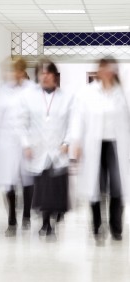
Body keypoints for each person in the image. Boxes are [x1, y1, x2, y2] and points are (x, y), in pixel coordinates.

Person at [72, 57, 130, 241]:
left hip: (116, 145)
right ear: (98, 70)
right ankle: (97, 226)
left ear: (114, 71)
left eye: (109, 68)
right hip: (94, 145)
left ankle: (116, 227)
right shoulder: (87, 93)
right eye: (102, 68)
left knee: (117, 187)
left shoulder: (123, 93)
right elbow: (77, 118)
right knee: (95, 187)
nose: (106, 72)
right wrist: (76, 142)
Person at [21, 60, 73, 237]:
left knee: (57, 188)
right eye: (41, 73)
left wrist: (67, 142)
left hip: (59, 149)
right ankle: (45, 224)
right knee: (42, 188)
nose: (44, 76)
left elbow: (72, 124)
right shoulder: (29, 97)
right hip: (39, 149)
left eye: (48, 73)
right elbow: (22, 123)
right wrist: (26, 144)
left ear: (54, 76)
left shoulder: (66, 97)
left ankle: (56, 215)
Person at [0, 58, 35, 237]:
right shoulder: (1, 90)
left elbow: (35, 117)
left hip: (27, 142)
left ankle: (26, 215)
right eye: (11, 70)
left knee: (27, 180)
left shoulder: (32, 90)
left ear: (22, 71)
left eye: (16, 70)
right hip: (7, 141)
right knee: (8, 181)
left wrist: (31, 142)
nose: (13, 73)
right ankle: (11, 219)